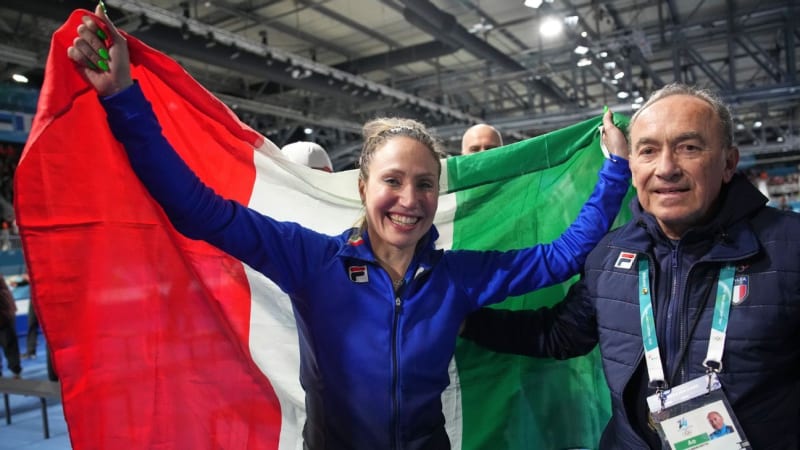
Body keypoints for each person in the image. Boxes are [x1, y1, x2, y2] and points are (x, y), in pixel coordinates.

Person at [68, 5, 630, 449]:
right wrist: (123, 99)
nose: (409, 200)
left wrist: (616, 170)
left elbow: (562, 255)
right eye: (393, 181)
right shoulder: (309, 259)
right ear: (363, 187)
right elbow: (196, 208)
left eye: (425, 184)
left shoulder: (459, 277)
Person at [462, 83, 800, 449]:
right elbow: (561, 334)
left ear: (728, 163)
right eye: (648, 150)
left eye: (688, 147)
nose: (666, 168)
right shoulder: (610, 254)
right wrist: (462, 319)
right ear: (633, 165)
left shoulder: (789, 249)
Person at [0, 278, 21, 379]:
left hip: (4, 315)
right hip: (6, 313)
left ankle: (16, 371)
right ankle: (15, 370)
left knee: (9, 344)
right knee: (10, 345)